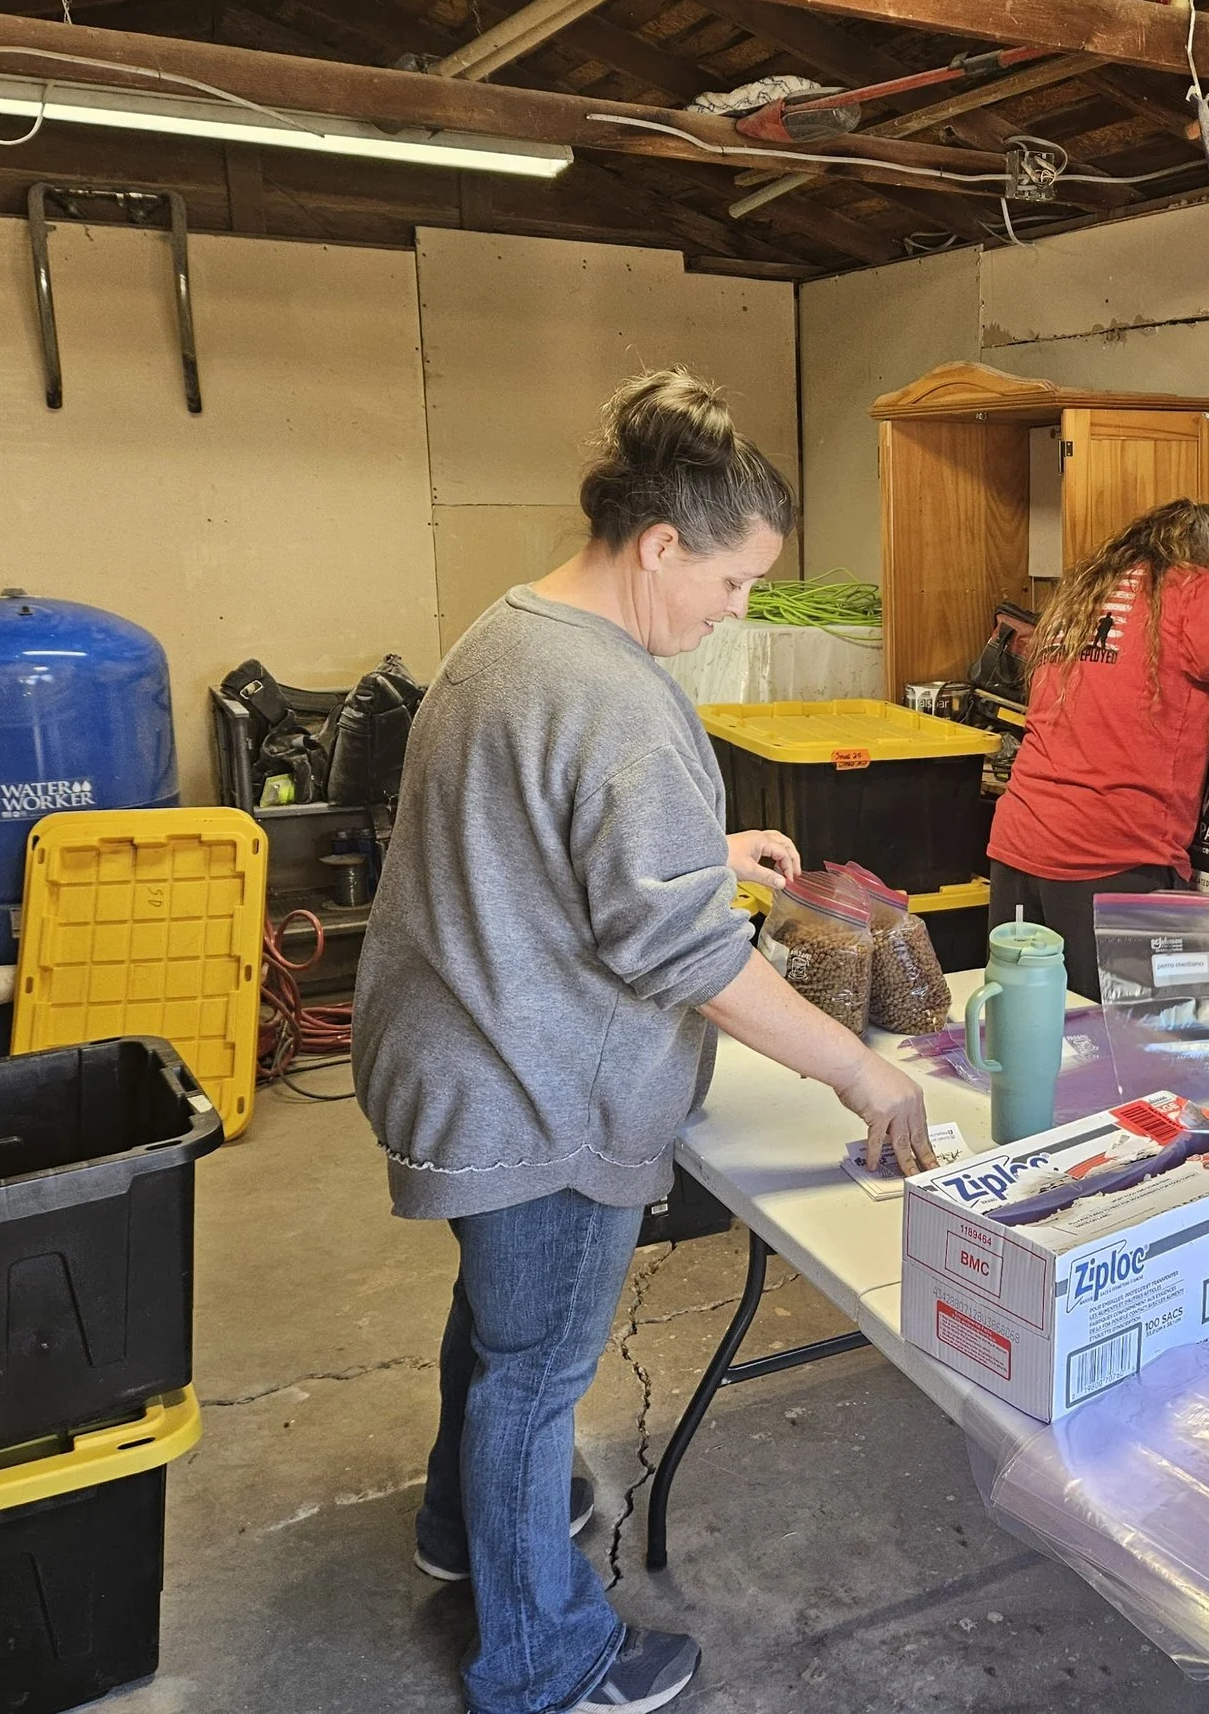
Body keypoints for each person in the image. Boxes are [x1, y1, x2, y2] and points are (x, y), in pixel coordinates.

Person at [353, 369, 935, 1714]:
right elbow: (686, 955)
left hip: (457, 1055)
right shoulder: (614, 691)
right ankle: (543, 1655)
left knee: (504, 1327)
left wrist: (699, 848)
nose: (737, 613)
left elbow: (539, 835)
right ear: (662, 544)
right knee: (541, 1368)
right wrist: (855, 1064)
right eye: (734, 585)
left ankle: (465, 1522)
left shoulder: (518, 631)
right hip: (529, 1085)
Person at [987, 498, 1209, 1001]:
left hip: (1019, 847)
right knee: (1114, 1046)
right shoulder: (1188, 587)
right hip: (1111, 854)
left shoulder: (1085, 593)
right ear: (1204, 560)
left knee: (1031, 1023)